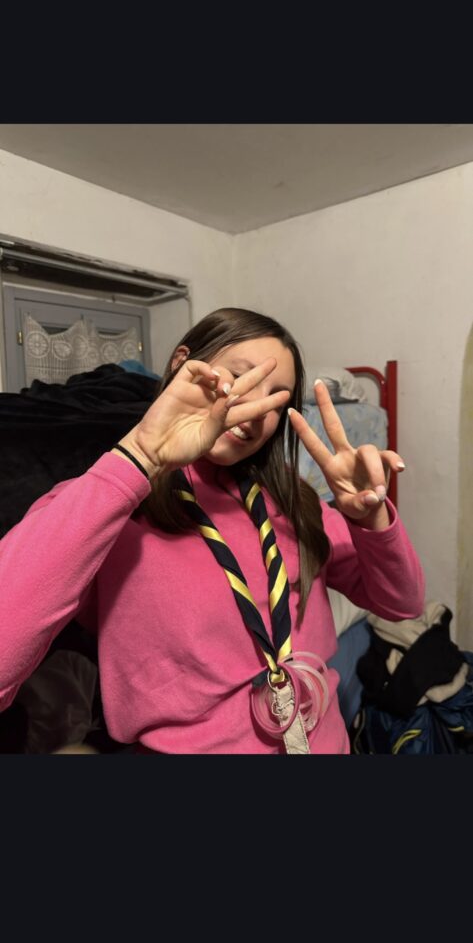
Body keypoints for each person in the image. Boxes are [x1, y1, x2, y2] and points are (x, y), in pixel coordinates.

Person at [0, 307, 424, 754]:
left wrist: (370, 518)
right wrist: (141, 456)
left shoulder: (292, 499)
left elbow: (402, 603)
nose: (256, 410)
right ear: (183, 364)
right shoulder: (110, 502)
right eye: (240, 378)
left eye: (276, 400)